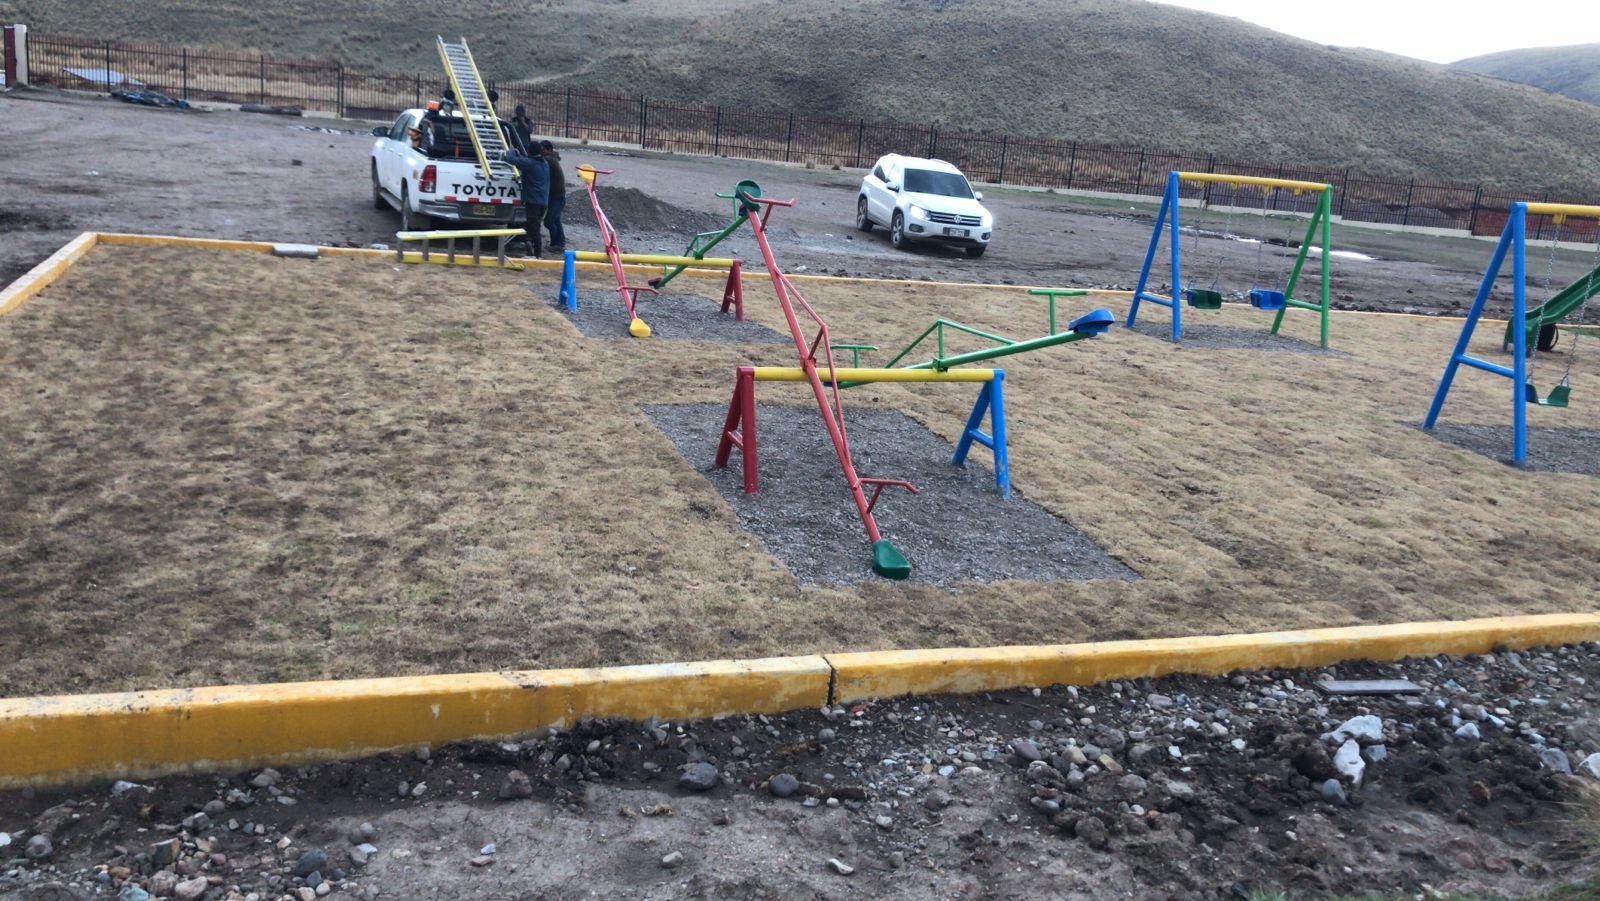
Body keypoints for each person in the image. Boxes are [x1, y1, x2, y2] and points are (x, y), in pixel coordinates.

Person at [501, 146, 549, 258]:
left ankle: (538, 254)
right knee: (533, 224)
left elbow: (509, 159)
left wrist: (512, 150)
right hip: (543, 200)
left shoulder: (530, 163)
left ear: (529, 151)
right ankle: (528, 242)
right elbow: (525, 162)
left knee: (534, 226)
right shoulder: (544, 163)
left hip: (533, 201)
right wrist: (520, 156)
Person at [539, 140, 567, 251]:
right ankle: (559, 243)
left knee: (549, 221)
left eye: (542, 149)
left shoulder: (549, 160)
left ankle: (557, 243)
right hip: (556, 196)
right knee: (556, 221)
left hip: (557, 197)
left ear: (549, 150)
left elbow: (536, 161)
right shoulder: (552, 159)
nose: (541, 151)